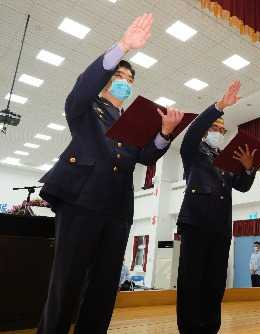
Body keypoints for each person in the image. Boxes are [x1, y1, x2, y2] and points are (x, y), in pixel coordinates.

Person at [37, 14, 184, 334]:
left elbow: (146, 155)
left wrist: (165, 133)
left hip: (117, 209)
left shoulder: (133, 122)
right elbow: (79, 90)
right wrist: (122, 47)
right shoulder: (87, 110)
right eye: (120, 75)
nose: (125, 82)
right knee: (67, 284)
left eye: (130, 80)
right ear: (106, 81)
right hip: (81, 201)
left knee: (103, 289)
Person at [176, 81, 257, 334]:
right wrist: (219, 107)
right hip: (196, 223)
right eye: (215, 127)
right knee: (191, 281)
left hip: (221, 228)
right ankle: (190, 329)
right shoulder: (193, 151)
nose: (218, 132)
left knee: (215, 283)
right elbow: (192, 131)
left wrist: (248, 168)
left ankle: (211, 328)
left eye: (222, 130)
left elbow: (242, 186)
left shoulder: (225, 160)